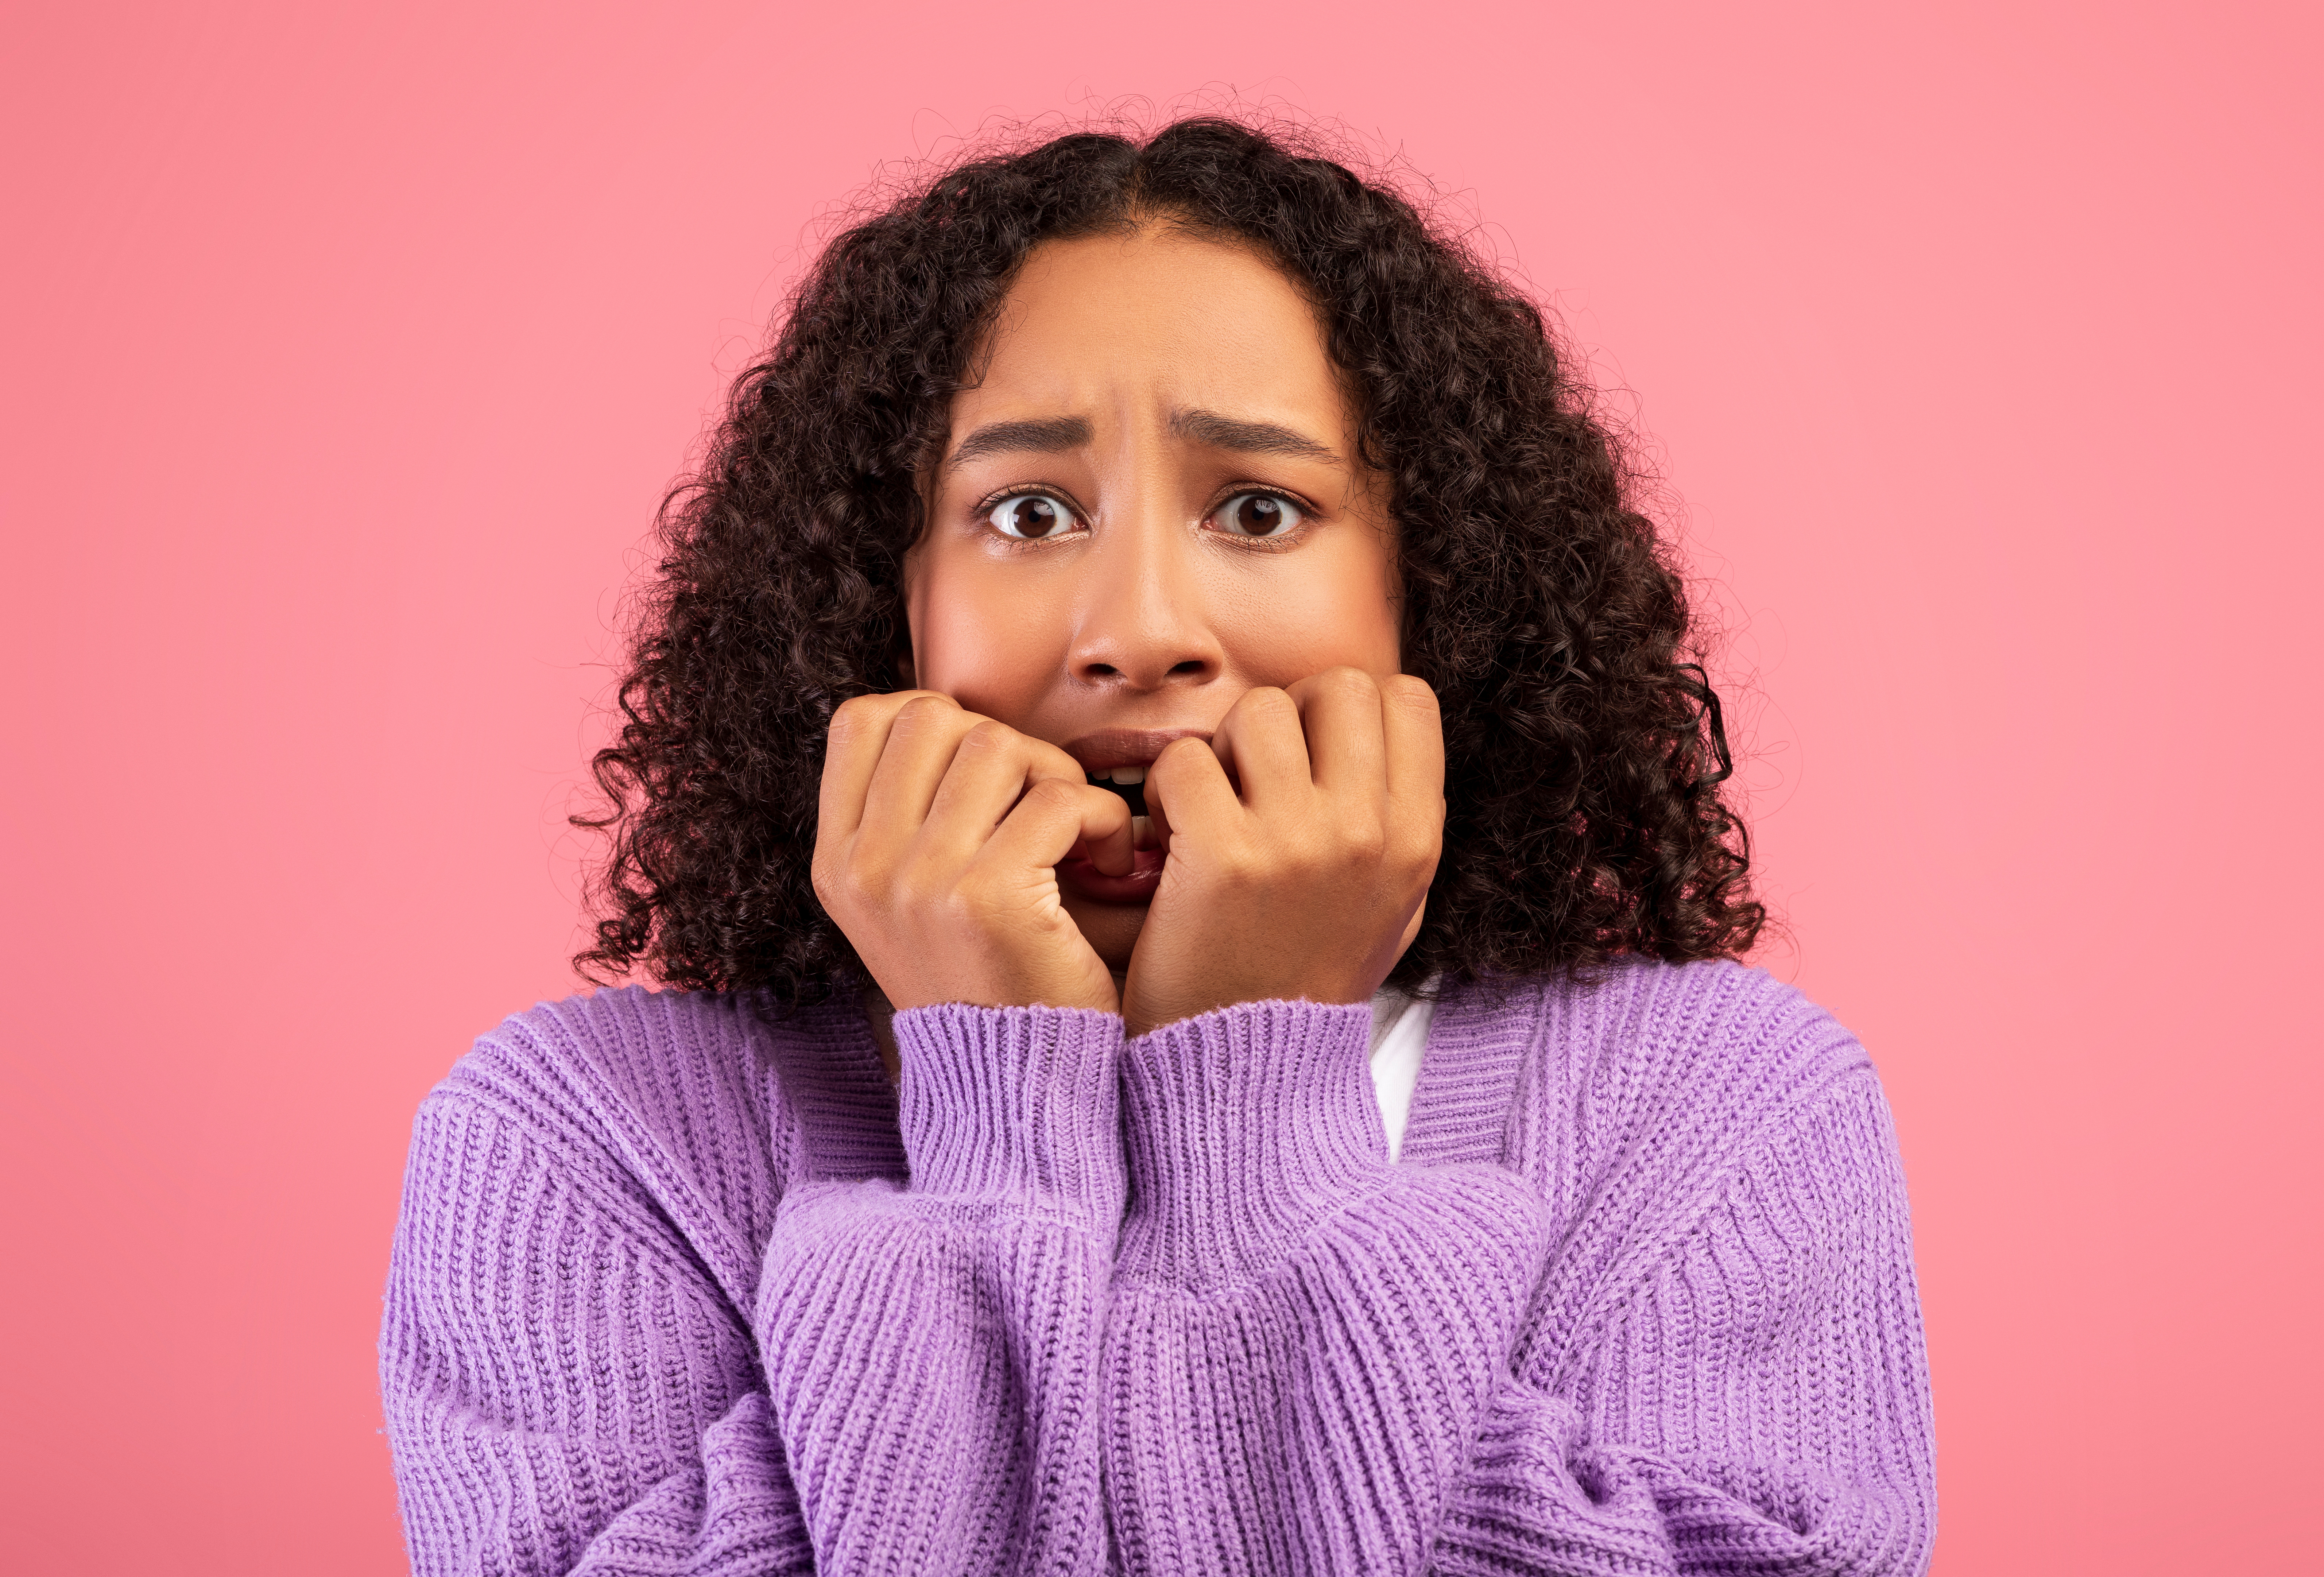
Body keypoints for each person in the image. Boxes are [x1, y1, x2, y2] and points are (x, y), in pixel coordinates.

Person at [379, 117, 1936, 1575]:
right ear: (882, 598)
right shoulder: (588, 1144)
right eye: (1028, 514)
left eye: (1260, 510)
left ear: (1433, 596)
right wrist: (1001, 1081)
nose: (1138, 632)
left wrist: (1243, 1088)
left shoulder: (1716, 1112)